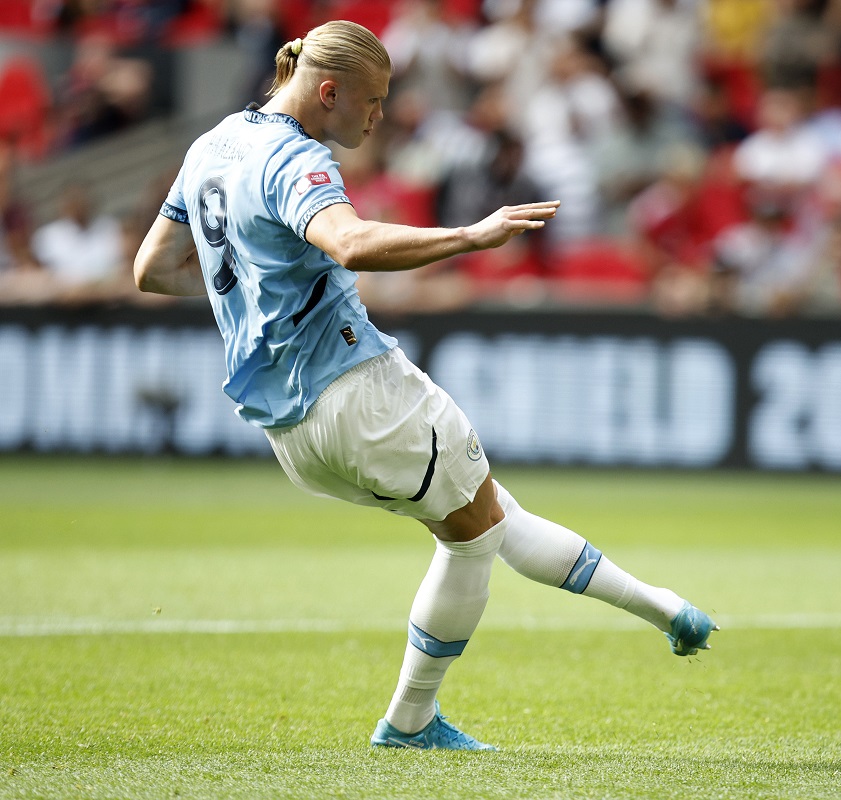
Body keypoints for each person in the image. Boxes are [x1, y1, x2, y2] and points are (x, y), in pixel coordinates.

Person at [132, 20, 717, 752]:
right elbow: (347, 241)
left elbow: (152, 269)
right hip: (356, 387)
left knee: (483, 513)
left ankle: (665, 611)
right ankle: (410, 721)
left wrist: (253, 285)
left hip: (288, 429)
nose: (378, 117)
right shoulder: (295, 157)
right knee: (475, 537)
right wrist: (469, 236)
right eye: (372, 102)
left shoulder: (212, 145)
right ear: (328, 91)